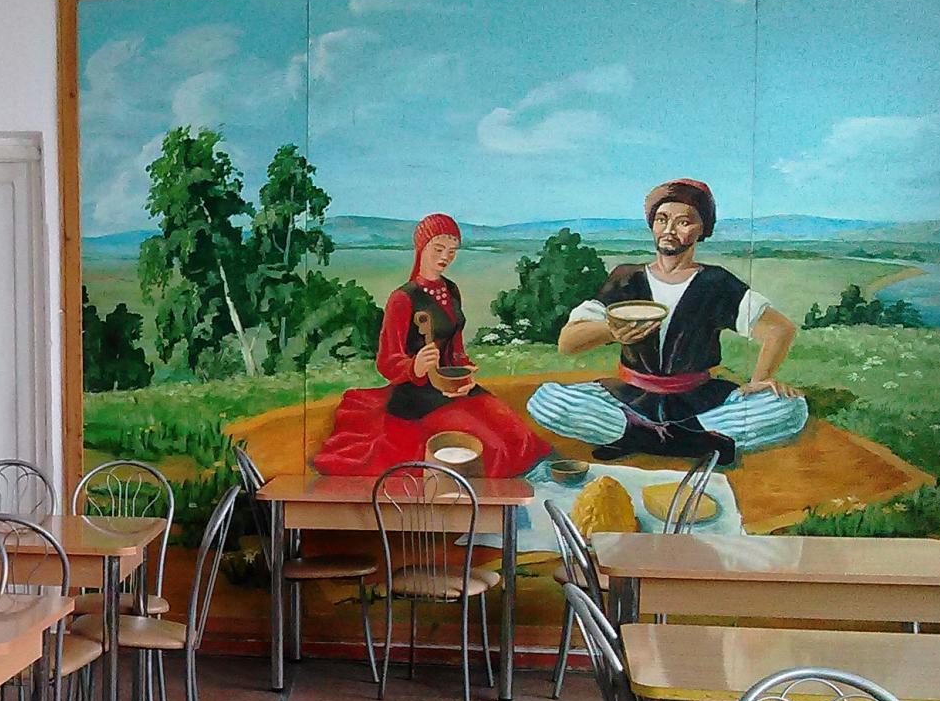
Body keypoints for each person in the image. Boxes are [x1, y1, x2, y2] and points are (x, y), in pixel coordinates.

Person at [525, 178, 807, 465]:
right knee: (547, 400)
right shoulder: (627, 277)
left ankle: (635, 436)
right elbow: (568, 342)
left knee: (790, 408)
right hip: (630, 397)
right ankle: (690, 442)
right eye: (662, 219)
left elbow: (779, 328)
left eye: (683, 222)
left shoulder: (716, 282)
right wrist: (611, 331)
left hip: (698, 398)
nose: (669, 230)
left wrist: (759, 381)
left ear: (703, 229)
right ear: (652, 224)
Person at [314, 214, 550, 478]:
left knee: (514, 429)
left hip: (452, 387)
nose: (445, 257)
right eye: (438, 249)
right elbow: (387, 362)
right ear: (421, 248)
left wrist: (465, 373)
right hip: (416, 397)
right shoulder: (402, 299)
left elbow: (456, 347)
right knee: (489, 444)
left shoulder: (451, 290)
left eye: (452, 251)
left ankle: (538, 483)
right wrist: (414, 366)